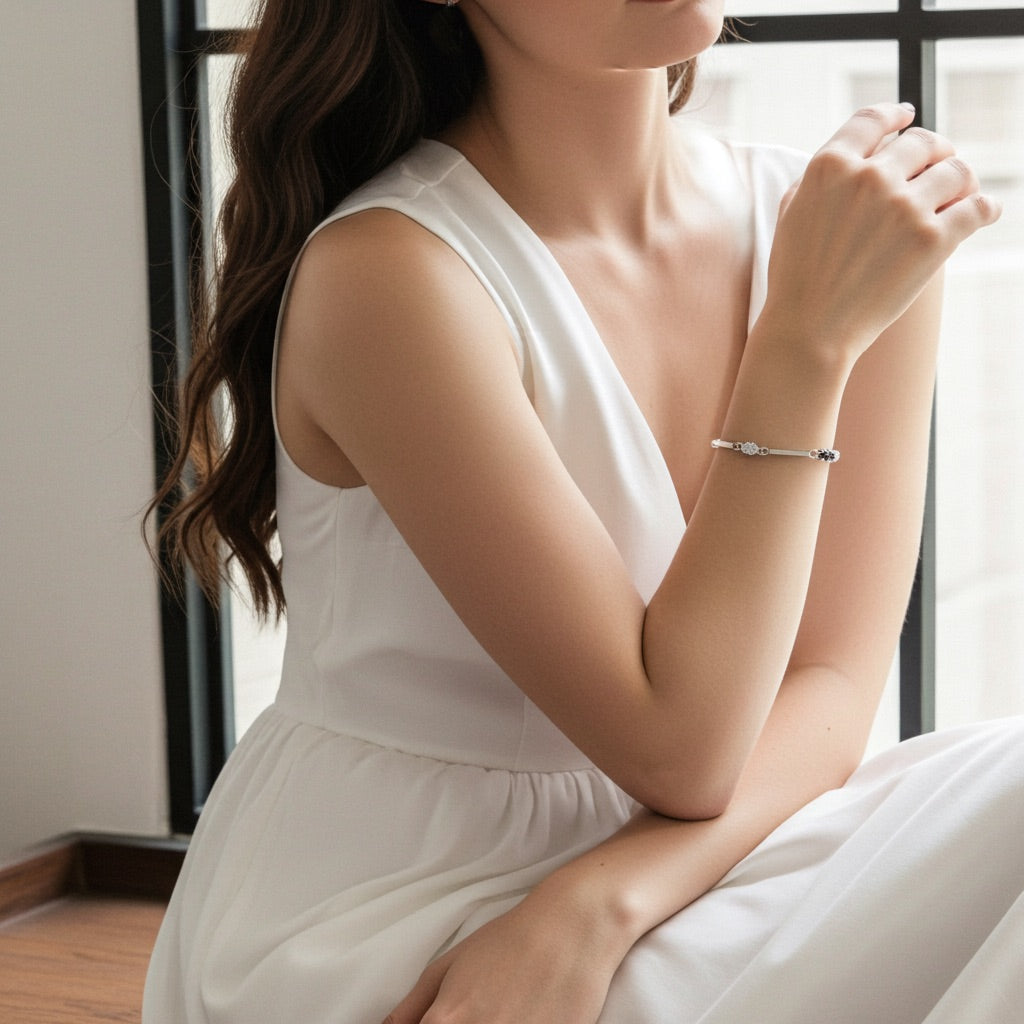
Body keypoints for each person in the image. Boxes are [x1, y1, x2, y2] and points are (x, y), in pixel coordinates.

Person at [143, 0, 1023, 1021]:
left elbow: (828, 687)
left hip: (692, 860)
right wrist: (801, 345)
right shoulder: (391, 275)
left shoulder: (835, 226)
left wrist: (595, 903)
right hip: (407, 905)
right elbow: (680, 748)